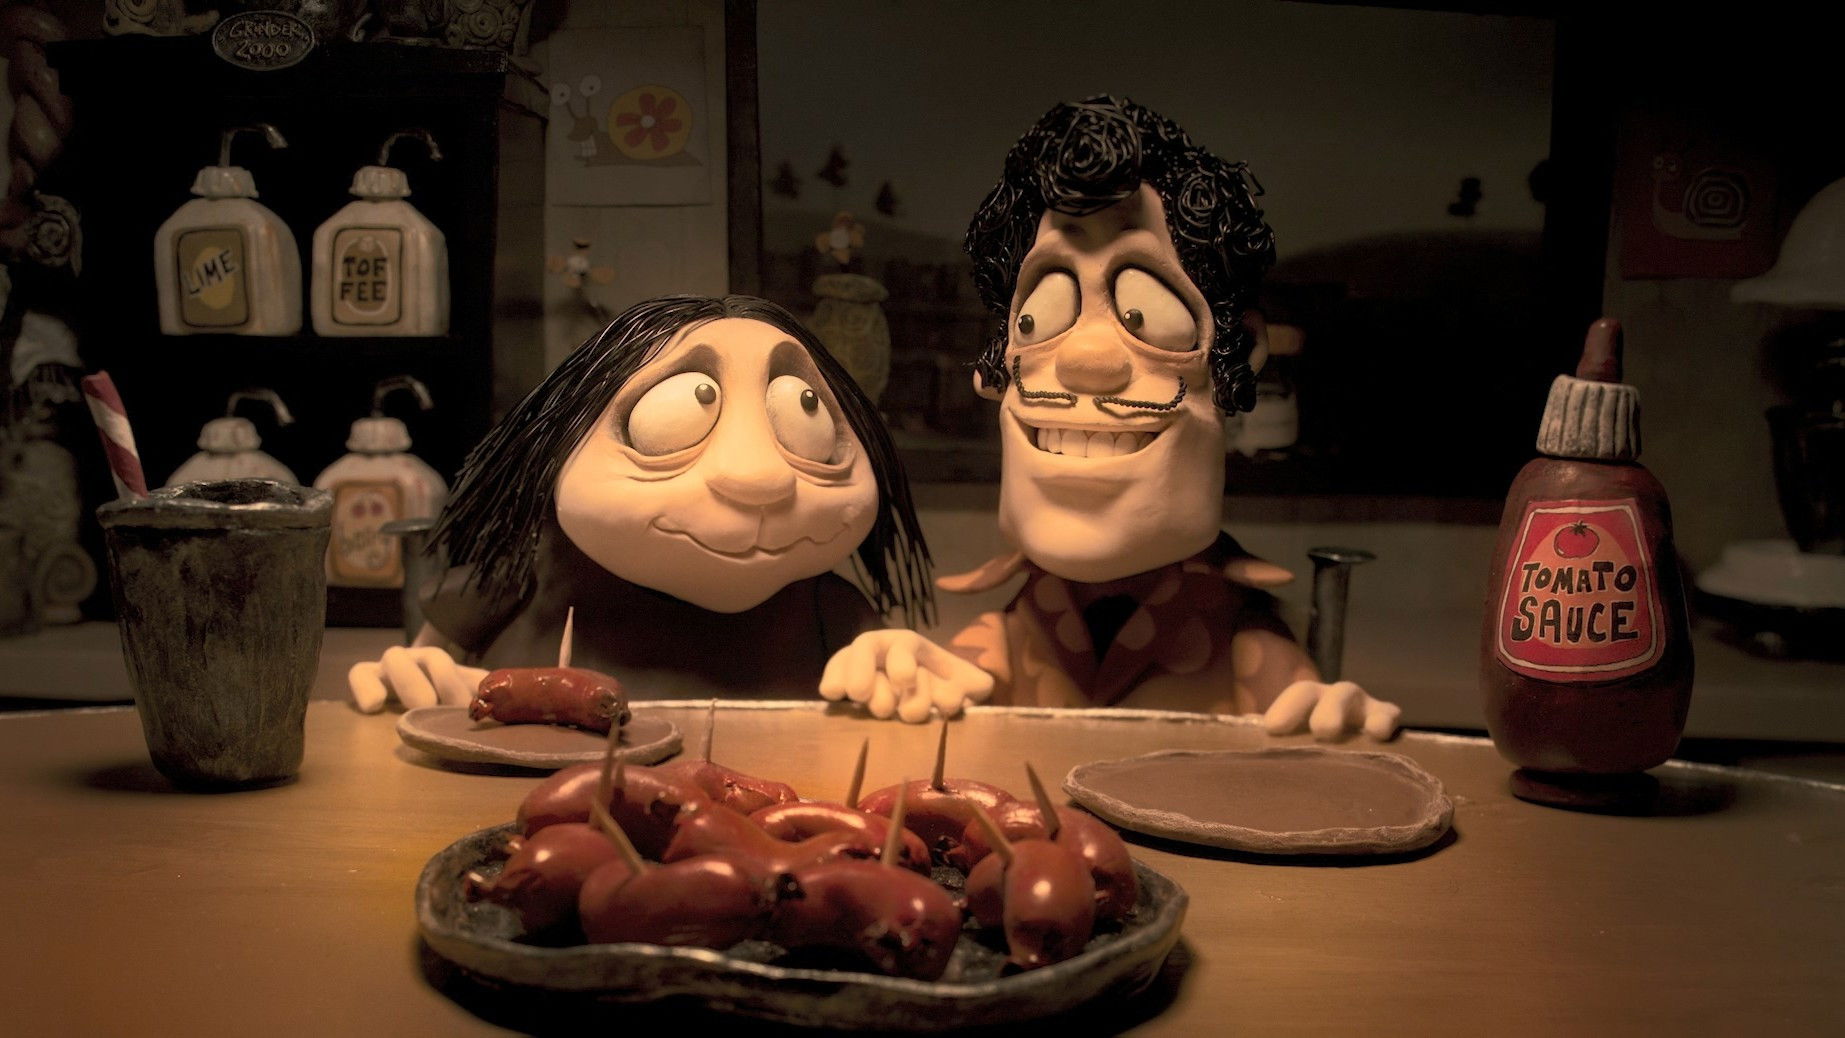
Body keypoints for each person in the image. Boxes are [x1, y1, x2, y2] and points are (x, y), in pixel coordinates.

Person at [821, 96, 1399, 739]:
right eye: (1042, 316)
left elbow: (1303, 714)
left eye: (1145, 314)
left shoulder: (1241, 643)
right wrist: (911, 674)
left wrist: (1329, 730)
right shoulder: (1020, 630)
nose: (1086, 360)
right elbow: (962, 687)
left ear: (1240, 352)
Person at [348, 294, 931, 710]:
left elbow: (889, 702)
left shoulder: (829, 611)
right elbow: (422, 672)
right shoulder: (522, 579)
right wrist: (416, 679)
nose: (758, 477)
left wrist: (902, 674)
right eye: (676, 416)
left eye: (806, 415)